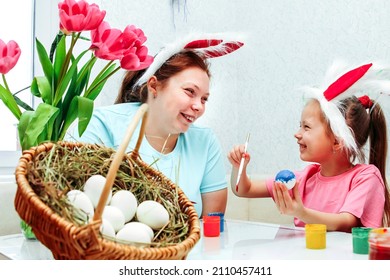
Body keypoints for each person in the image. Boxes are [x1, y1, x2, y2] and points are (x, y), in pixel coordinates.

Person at [70, 34, 244, 217]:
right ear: (154, 86)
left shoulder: (205, 143)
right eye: (189, 91)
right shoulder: (101, 126)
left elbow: (213, 226)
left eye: (204, 99)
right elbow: (79, 206)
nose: (199, 106)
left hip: (188, 246)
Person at [228, 62, 390, 232]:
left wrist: (302, 212)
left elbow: (345, 221)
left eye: (306, 127)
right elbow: (243, 189)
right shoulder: (304, 178)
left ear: (337, 141)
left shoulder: (365, 177)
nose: (297, 134)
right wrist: (239, 168)